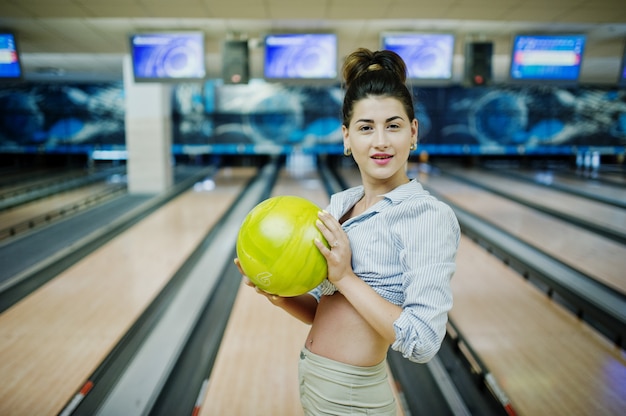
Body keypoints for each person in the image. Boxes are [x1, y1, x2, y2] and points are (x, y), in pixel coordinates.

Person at [235, 47, 460, 415]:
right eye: (366, 127)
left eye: (394, 125)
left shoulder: (425, 216)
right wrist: (276, 293)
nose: (381, 141)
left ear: (413, 132)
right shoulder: (340, 205)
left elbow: (423, 341)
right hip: (317, 386)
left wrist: (345, 276)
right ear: (346, 137)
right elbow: (329, 312)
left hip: (355, 401)